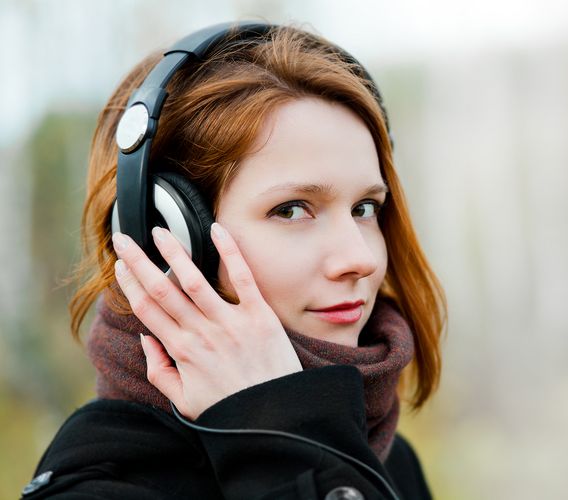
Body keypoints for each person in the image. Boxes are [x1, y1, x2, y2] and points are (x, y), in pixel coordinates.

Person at [24, 21, 446, 500]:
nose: (359, 259)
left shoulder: (389, 461)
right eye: (291, 210)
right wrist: (277, 428)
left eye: (365, 208)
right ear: (165, 236)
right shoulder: (99, 491)